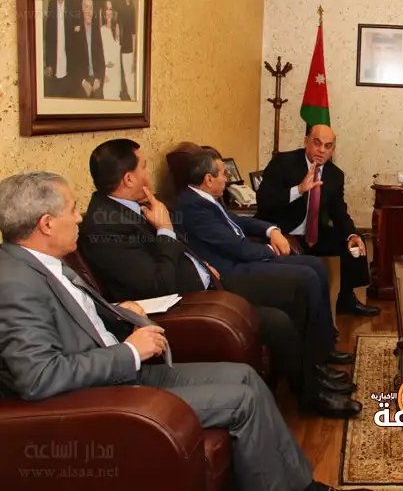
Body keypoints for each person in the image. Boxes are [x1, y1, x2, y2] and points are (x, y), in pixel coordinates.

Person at [0, 172, 371, 491]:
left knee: (246, 376)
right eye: (71, 209)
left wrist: (117, 312)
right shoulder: (16, 283)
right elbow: (39, 377)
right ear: (46, 224)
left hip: (120, 370)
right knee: (242, 401)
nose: (79, 216)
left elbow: (75, 318)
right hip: (101, 393)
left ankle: (300, 484)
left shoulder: (43, 261)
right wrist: (130, 351)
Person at [77, 139, 360, 418]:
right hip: (185, 303)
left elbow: (181, 247)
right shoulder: (106, 226)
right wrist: (164, 230)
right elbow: (156, 284)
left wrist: (200, 263)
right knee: (281, 318)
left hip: (209, 279)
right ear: (128, 179)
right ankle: (311, 394)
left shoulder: (135, 206)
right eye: (142, 167)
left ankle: (314, 378)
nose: (147, 174)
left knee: (296, 291)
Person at [171, 150, 362, 412]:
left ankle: (317, 362)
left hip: (240, 263)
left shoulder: (205, 198)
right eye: (223, 173)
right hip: (230, 275)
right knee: (306, 277)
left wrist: (271, 230)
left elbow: (237, 222)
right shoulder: (192, 207)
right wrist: (272, 250)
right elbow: (236, 247)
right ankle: (311, 383)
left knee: (314, 266)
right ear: (208, 179)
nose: (227, 178)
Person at [256, 125, 380, 317]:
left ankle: (346, 300)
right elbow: (264, 199)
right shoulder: (283, 162)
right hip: (282, 232)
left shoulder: (335, 174)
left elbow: (339, 212)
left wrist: (352, 234)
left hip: (311, 234)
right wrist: (299, 190)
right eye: (317, 143)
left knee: (354, 242)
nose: (322, 150)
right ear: (306, 142)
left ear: (333, 150)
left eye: (328, 146)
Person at [66, 0, 105, 99]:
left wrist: (99, 80)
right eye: (86, 7)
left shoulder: (96, 32)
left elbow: (101, 60)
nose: (88, 11)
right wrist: (83, 82)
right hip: (82, 81)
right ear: (82, 9)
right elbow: (72, 64)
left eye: (91, 8)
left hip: (95, 80)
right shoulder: (76, 33)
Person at [44, 0, 71, 97]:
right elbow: (48, 36)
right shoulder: (51, 5)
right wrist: (49, 63)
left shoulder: (70, 6)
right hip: (55, 58)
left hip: (67, 58)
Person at [119, 0, 136, 100]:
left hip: (129, 51)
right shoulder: (121, 7)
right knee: (123, 83)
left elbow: (134, 34)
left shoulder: (132, 8)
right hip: (121, 50)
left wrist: (134, 57)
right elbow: (118, 29)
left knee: (131, 86)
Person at [100, 0, 121, 100]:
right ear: (104, 12)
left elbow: (117, 54)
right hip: (107, 73)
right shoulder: (101, 30)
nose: (108, 12)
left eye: (110, 9)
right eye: (107, 9)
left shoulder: (116, 28)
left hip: (115, 74)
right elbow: (101, 54)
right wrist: (104, 74)